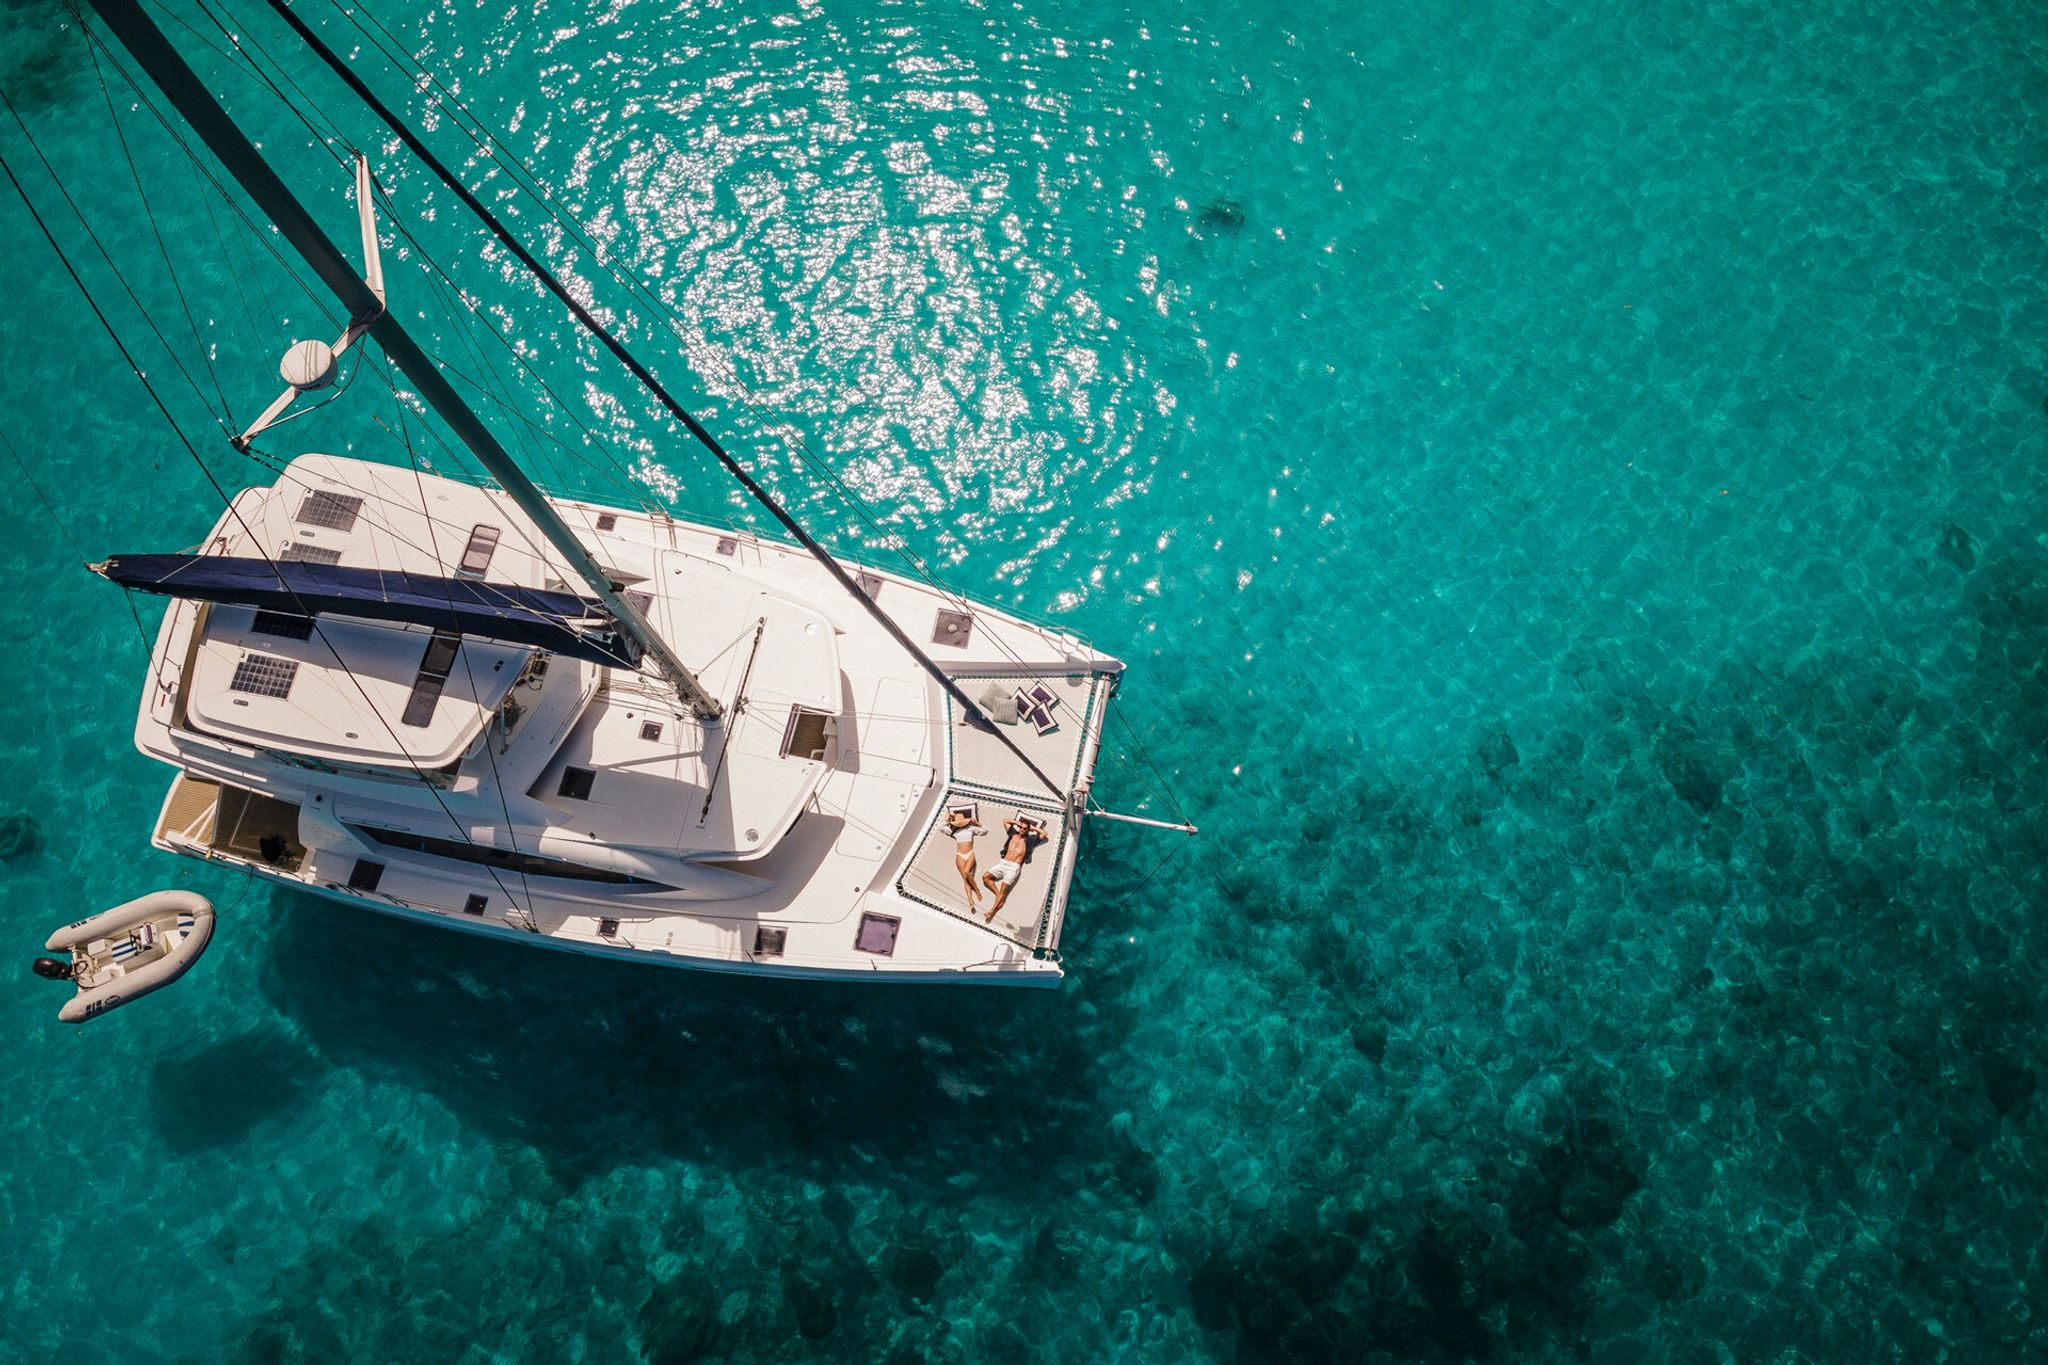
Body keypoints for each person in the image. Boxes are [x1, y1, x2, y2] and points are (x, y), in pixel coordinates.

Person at [979, 817, 1047, 921]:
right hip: (1003, 863)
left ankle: (992, 911)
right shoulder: (1013, 834)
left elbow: (1044, 834)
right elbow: (1005, 821)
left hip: (1014, 867)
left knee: (1003, 888)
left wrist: (1033, 828)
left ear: (1028, 830)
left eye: (1025, 828)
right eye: (1021, 827)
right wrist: (1017, 822)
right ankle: (999, 896)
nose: (1022, 829)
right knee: (985, 877)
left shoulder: (1030, 839)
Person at [945, 809, 984, 909]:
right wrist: (948, 820)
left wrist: (977, 823)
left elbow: (985, 831)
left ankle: (977, 890)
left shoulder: (971, 829)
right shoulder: (954, 831)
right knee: (966, 880)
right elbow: (942, 828)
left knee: (967, 872)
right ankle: (970, 900)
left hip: (970, 853)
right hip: (960, 856)